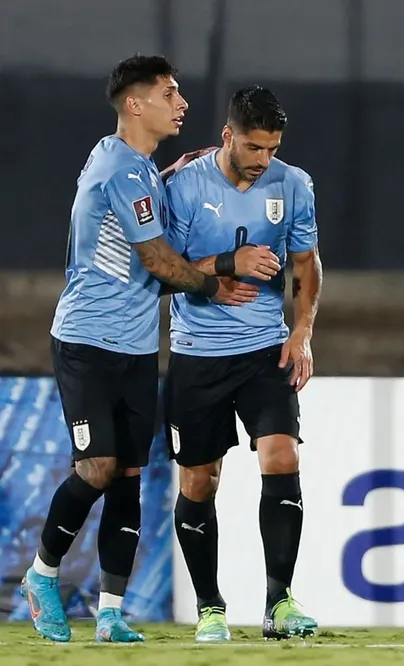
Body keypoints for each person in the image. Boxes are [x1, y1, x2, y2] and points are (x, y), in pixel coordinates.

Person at [21, 54, 261, 644]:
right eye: (169, 93)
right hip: (87, 341)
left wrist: (178, 173)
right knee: (97, 468)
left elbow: (152, 259)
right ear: (135, 103)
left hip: (133, 348)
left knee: (128, 476)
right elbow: (157, 262)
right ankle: (41, 574)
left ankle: (109, 613)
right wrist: (216, 281)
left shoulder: (143, 172)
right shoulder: (119, 166)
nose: (181, 103)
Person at [162, 85, 322, 642]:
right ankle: (210, 608)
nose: (263, 160)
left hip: (264, 349)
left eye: (272, 149)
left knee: (281, 456)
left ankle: (279, 602)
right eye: (254, 147)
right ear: (227, 136)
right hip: (197, 354)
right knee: (200, 481)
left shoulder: (293, 184)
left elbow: (305, 263)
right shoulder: (184, 186)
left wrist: (301, 332)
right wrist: (227, 264)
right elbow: (165, 268)